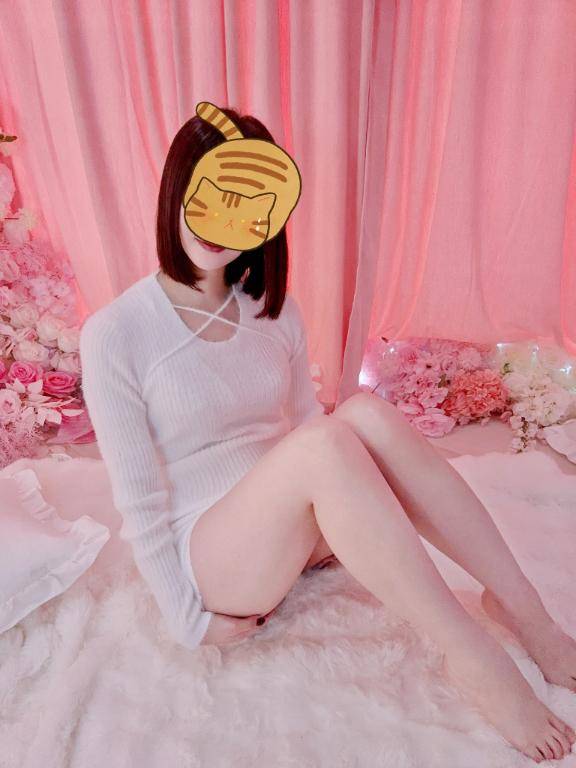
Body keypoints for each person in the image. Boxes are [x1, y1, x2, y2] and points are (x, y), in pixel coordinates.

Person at [79, 108, 576, 764]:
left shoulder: (274, 309)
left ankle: (522, 607)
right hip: (215, 555)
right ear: (177, 192)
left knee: (362, 415)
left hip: (291, 532)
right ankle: (470, 653)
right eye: (213, 196)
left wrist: (350, 511)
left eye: (250, 205)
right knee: (324, 443)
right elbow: (138, 498)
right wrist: (185, 619)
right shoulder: (116, 332)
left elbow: (307, 419)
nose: (224, 222)